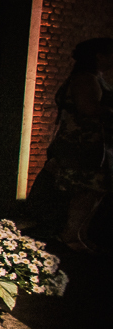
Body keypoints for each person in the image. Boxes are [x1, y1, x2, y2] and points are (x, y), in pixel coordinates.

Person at [45, 37, 113, 251]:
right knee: (85, 189)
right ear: (98, 56)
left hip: (89, 144)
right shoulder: (85, 79)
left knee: (93, 189)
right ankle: (70, 235)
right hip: (82, 144)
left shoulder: (92, 77)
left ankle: (78, 234)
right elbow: (88, 108)